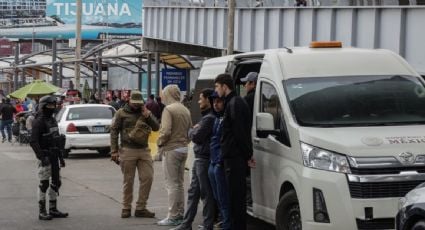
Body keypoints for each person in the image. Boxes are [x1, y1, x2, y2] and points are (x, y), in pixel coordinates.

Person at [214, 73, 255, 230]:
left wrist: (247, 155)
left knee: (236, 200)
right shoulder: (231, 102)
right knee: (233, 200)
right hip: (233, 158)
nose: (216, 90)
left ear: (225, 86)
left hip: (235, 159)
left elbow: (240, 133)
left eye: (217, 86)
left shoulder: (235, 103)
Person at [110, 90, 160, 218]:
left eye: (139, 103)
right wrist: (114, 151)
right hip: (127, 150)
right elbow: (114, 131)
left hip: (144, 150)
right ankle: (126, 207)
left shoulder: (145, 112)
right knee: (128, 181)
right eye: (135, 103)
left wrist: (148, 115)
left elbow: (156, 127)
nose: (137, 106)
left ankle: (141, 207)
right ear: (129, 101)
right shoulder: (121, 113)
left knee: (147, 178)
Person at [171, 88, 216, 230]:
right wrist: (195, 129)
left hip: (204, 159)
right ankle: (186, 223)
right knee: (193, 192)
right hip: (199, 159)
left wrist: (191, 130)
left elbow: (196, 136)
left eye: (201, 98)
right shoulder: (206, 118)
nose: (198, 101)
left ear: (208, 100)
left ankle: (208, 225)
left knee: (205, 194)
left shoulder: (209, 118)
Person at [157, 84, 192, 226]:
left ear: (168, 94)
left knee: (171, 184)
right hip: (183, 148)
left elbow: (165, 131)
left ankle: (173, 215)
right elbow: (190, 131)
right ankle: (180, 213)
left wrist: (159, 143)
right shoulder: (185, 109)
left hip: (171, 149)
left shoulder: (168, 109)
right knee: (179, 184)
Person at [29, 95, 68, 220]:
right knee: (44, 184)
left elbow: (56, 139)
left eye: (53, 105)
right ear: (43, 106)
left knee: (57, 182)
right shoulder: (38, 121)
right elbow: (33, 141)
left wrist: (61, 158)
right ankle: (42, 211)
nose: (52, 108)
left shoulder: (52, 120)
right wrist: (41, 156)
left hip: (55, 155)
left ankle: (53, 208)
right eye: (49, 105)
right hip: (45, 155)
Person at [208, 92, 231, 230]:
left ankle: (227, 224)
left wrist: (219, 161)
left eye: (219, 101)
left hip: (219, 163)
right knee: (217, 197)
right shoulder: (217, 118)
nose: (216, 104)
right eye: (214, 101)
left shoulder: (225, 118)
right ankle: (223, 221)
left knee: (223, 198)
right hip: (213, 161)